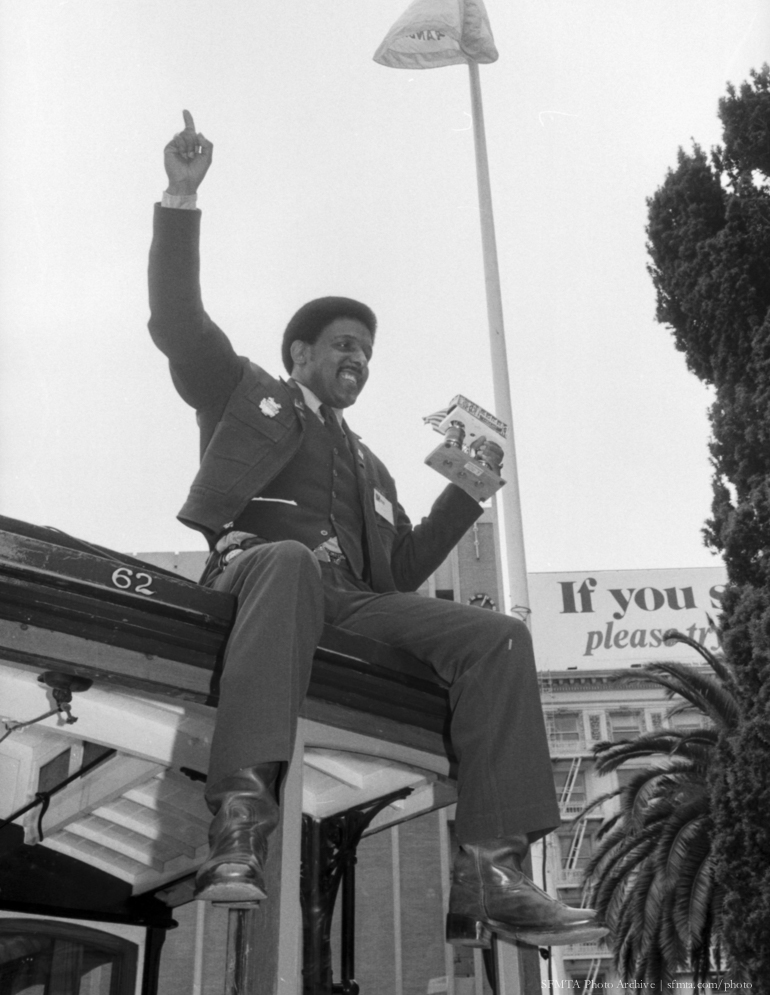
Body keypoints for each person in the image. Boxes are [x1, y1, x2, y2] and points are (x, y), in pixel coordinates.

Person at [148, 111, 605, 949]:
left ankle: (489, 870)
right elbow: (180, 323)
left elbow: (400, 568)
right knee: (286, 558)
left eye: (367, 349)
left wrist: (470, 489)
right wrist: (181, 198)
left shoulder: (372, 467)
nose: (358, 356)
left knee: (500, 637)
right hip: (257, 579)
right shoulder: (245, 393)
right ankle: (240, 822)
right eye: (343, 343)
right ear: (300, 353)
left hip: (351, 606)